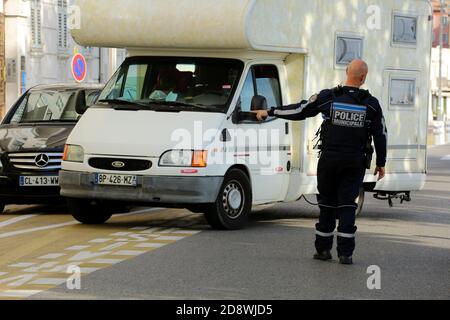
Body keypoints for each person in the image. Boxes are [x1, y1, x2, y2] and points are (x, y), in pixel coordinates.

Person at [253, 59, 388, 265]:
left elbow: (301, 110)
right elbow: (380, 135)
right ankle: (345, 254)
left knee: (326, 204)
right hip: (354, 162)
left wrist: (270, 111)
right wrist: (381, 162)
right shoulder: (371, 104)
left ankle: (323, 250)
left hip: (330, 161)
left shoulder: (329, 97)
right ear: (363, 78)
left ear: (346, 72)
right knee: (346, 206)